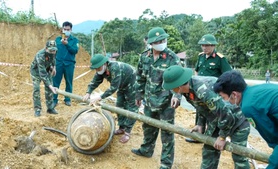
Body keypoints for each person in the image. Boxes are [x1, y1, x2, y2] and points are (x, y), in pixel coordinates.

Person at [162, 65, 250, 169]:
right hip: (218, 120)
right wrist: (200, 124)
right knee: (209, 150)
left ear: (179, 86)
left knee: (239, 157)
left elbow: (226, 114)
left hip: (237, 121)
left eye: (173, 88)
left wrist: (222, 137)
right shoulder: (187, 89)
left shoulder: (203, 90)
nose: (173, 91)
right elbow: (202, 107)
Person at [131, 27, 181, 169]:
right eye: (158, 41)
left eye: (163, 40)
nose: (162, 43)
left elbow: (180, 79)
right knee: (148, 127)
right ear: (151, 43)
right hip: (149, 100)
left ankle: (166, 163)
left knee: (166, 133)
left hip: (166, 102)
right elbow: (140, 77)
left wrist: (177, 96)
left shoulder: (172, 58)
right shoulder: (144, 56)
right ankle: (146, 150)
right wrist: (138, 95)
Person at [213, 70, 278, 169]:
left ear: (234, 94)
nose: (224, 101)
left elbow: (271, 135)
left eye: (224, 97)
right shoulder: (253, 92)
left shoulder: (249, 106)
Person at [186, 34, 232, 143]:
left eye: (207, 45)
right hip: (199, 90)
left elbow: (228, 75)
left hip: (212, 91)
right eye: (203, 45)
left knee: (213, 113)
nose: (204, 48)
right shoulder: (201, 56)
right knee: (200, 111)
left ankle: (213, 135)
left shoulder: (220, 59)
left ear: (213, 46)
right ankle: (199, 134)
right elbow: (196, 71)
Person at [82, 54, 138, 143]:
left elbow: (113, 87)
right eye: (95, 68)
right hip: (122, 85)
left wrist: (100, 97)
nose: (97, 70)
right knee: (119, 105)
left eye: (98, 68)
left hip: (132, 83)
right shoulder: (101, 70)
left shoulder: (114, 68)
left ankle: (127, 132)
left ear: (104, 64)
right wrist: (88, 92)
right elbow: (95, 82)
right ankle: (122, 128)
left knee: (132, 107)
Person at [53, 21, 79, 107]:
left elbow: (75, 51)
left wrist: (67, 44)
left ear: (71, 30)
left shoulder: (74, 40)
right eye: (65, 29)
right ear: (62, 29)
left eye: (68, 29)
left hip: (69, 64)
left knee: (69, 82)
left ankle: (67, 99)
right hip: (58, 64)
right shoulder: (57, 40)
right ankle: (54, 100)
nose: (66, 31)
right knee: (55, 82)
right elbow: (53, 52)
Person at [30, 40, 58, 117]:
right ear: (46, 48)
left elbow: (54, 59)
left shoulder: (54, 51)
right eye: (51, 50)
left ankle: (50, 108)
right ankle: (37, 109)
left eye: (54, 50)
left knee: (49, 90)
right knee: (36, 89)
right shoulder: (40, 55)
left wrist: (54, 68)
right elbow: (42, 74)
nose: (52, 52)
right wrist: (51, 86)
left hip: (47, 68)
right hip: (36, 72)